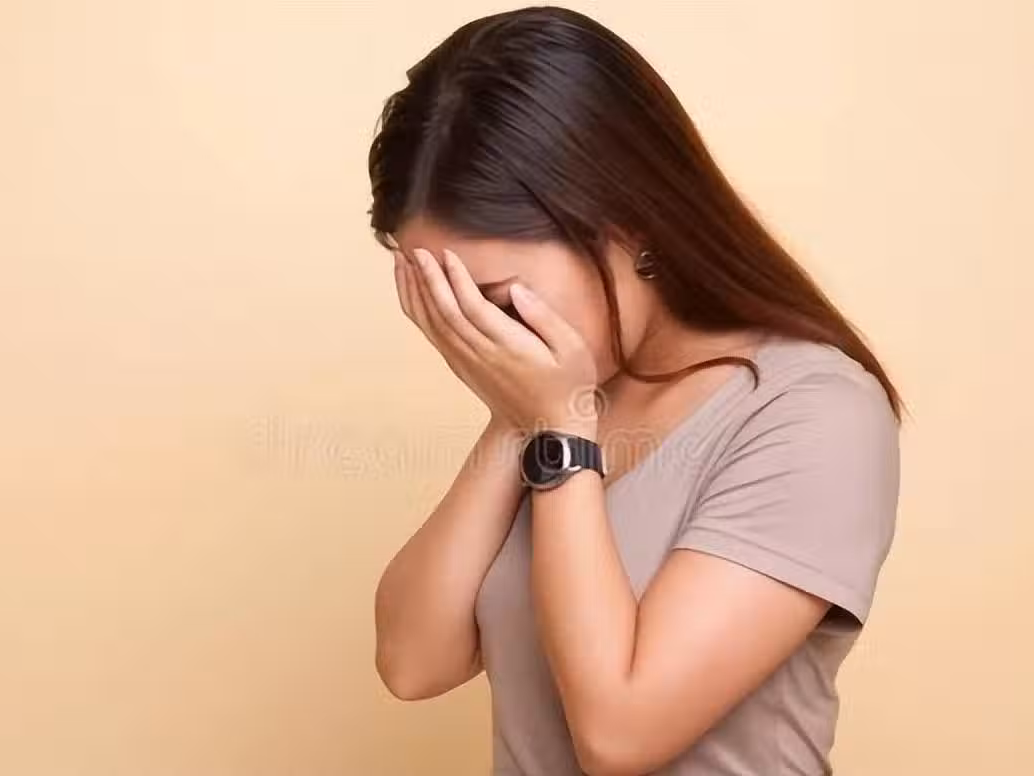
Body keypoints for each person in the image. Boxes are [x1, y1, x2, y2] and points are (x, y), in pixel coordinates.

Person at [368, 6, 902, 775]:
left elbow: (620, 733)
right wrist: (516, 415)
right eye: (446, 301)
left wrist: (558, 430)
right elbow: (414, 662)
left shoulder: (815, 413)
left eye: (496, 298)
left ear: (625, 222)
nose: (477, 330)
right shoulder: (563, 394)